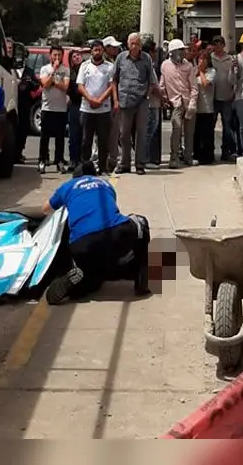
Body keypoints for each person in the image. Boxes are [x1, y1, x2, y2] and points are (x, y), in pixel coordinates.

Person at [42, 161, 151, 305]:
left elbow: (45, 209)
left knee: (92, 281)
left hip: (81, 244)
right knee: (141, 222)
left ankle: (78, 283)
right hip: (115, 233)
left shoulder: (68, 186)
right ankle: (141, 281)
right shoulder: (106, 184)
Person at [113, 33, 160, 175]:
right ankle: (125, 164)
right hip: (125, 100)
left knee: (141, 133)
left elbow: (152, 80)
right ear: (128, 44)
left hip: (141, 101)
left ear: (140, 45)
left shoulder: (146, 58)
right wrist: (115, 100)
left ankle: (140, 164)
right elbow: (114, 80)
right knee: (124, 134)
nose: (134, 46)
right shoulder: (121, 58)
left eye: (137, 43)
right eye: (132, 43)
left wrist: (147, 95)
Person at [77, 40, 116, 172]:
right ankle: (85, 167)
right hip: (87, 108)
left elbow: (111, 86)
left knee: (103, 141)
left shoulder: (109, 67)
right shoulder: (84, 66)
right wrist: (90, 99)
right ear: (91, 51)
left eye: (100, 50)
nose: (97, 52)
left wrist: (99, 100)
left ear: (103, 51)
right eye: (95, 50)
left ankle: (103, 167)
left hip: (103, 109)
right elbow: (80, 86)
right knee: (86, 140)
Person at [160, 39, 198, 168]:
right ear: (172, 52)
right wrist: (164, 98)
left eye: (183, 50)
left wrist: (193, 103)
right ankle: (174, 157)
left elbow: (194, 86)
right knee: (176, 131)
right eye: (180, 50)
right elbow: (162, 84)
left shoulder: (188, 66)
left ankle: (188, 156)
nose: (182, 53)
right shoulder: (165, 66)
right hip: (175, 103)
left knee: (189, 132)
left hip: (188, 101)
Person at [37, 45, 70, 174]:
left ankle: (59, 161)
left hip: (61, 108)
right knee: (44, 136)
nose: (57, 57)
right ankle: (42, 160)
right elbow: (45, 84)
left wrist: (54, 82)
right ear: (50, 55)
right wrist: (54, 72)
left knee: (60, 137)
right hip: (47, 107)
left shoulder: (65, 70)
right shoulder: (45, 69)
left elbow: (65, 87)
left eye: (59, 55)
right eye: (55, 55)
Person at [208, 35, 238, 162]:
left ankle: (226, 151)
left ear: (224, 45)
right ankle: (209, 151)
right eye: (215, 44)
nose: (218, 46)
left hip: (227, 97)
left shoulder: (230, 59)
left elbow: (235, 78)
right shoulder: (210, 58)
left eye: (220, 43)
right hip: (212, 97)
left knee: (227, 126)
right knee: (210, 125)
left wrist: (234, 91)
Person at [102, 37, 123, 172]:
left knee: (115, 133)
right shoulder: (102, 63)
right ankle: (101, 160)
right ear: (106, 48)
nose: (116, 49)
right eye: (113, 47)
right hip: (102, 102)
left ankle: (112, 161)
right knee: (101, 134)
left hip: (114, 102)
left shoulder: (116, 61)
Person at [194, 43, 217, 165]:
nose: (201, 61)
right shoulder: (195, 71)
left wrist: (202, 72)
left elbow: (205, 83)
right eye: (199, 59)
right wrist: (197, 71)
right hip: (196, 108)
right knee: (197, 134)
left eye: (203, 59)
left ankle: (207, 156)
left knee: (207, 134)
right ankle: (197, 154)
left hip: (207, 108)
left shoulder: (211, 72)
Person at [143, 38, 164, 170]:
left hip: (153, 103)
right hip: (150, 104)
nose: (156, 53)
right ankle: (146, 159)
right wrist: (163, 98)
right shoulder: (148, 65)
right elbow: (153, 86)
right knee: (149, 132)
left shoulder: (150, 64)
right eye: (154, 51)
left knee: (149, 132)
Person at [16, 60, 41, 164]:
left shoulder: (29, 71)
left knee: (23, 128)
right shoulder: (10, 69)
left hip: (25, 104)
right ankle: (11, 153)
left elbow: (36, 86)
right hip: (11, 101)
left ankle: (19, 153)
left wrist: (30, 81)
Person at [66, 49, 86, 170]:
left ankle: (83, 161)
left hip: (86, 105)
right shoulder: (69, 72)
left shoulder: (86, 69)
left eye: (78, 55)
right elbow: (65, 88)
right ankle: (73, 160)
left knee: (85, 135)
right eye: (74, 56)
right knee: (73, 135)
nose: (77, 57)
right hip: (74, 105)